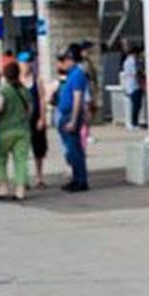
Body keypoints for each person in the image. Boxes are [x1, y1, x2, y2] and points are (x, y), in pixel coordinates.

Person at [0, 60, 33, 201]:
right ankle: (20, 190)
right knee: (20, 160)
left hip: (5, 130)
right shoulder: (24, 90)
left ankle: (3, 188)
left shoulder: (4, 90)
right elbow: (30, 111)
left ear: (5, 75)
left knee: (0, 159)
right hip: (23, 130)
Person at [56, 44, 90, 192]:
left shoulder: (77, 74)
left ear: (71, 59)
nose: (62, 64)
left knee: (74, 150)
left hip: (71, 115)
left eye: (64, 60)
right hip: (67, 114)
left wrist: (74, 120)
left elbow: (77, 98)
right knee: (72, 149)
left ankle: (80, 180)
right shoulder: (72, 74)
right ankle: (77, 178)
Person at [18, 51, 48, 188]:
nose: (27, 66)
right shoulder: (16, 81)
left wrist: (42, 117)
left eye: (29, 62)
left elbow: (42, 99)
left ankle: (39, 176)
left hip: (35, 118)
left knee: (39, 148)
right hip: (20, 120)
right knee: (21, 150)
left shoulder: (37, 79)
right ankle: (23, 177)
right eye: (24, 62)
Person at [120, 45, 144, 129]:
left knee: (136, 105)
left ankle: (134, 122)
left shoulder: (126, 61)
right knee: (136, 105)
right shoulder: (132, 61)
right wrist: (141, 83)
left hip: (130, 85)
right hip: (134, 85)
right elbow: (135, 73)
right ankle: (134, 123)